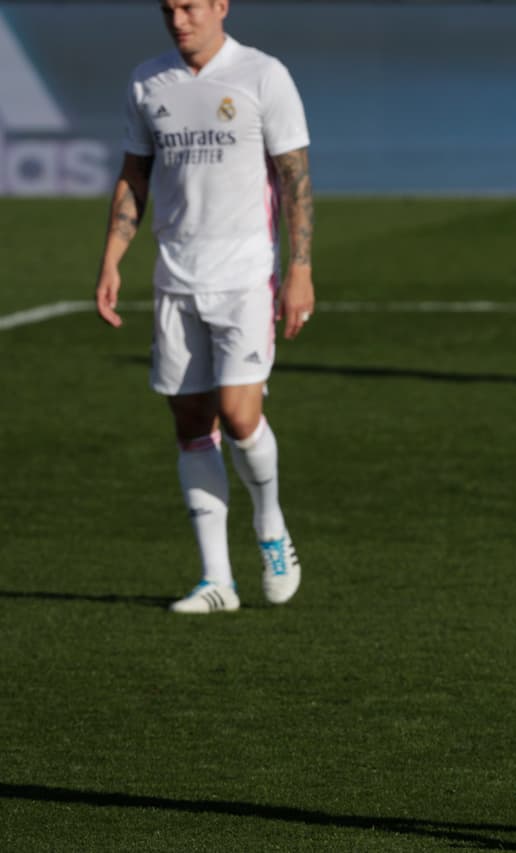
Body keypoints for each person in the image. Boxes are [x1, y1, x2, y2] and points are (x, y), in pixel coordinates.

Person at [94, 0, 312, 613]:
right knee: (191, 426)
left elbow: (293, 175)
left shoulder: (263, 74)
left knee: (240, 418)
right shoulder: (148, 80)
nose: (178, 19)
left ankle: (271, 528)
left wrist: (299, 267)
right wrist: (112, 257)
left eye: (190, 6)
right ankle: (217, 580)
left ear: (220, 6)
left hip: (245, 277)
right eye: (168, 8)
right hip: (175, 278)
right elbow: (135, 174)